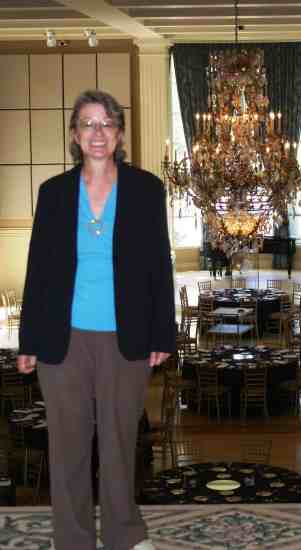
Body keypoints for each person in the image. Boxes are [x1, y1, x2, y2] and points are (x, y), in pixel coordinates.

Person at [17, 89, 175, 550]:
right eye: (88, 123)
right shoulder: (53, 193)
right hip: (61, 340)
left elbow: (158, 266)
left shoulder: (147, 189)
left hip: (125, 338)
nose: (98, 132)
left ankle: (124, 534)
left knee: (119, 442)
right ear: (74, 134)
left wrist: (163, 332)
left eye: (107, 123)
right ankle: (72, 538)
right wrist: (28, 341)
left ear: (120, 133)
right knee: (67, 447)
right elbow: (39, 270)